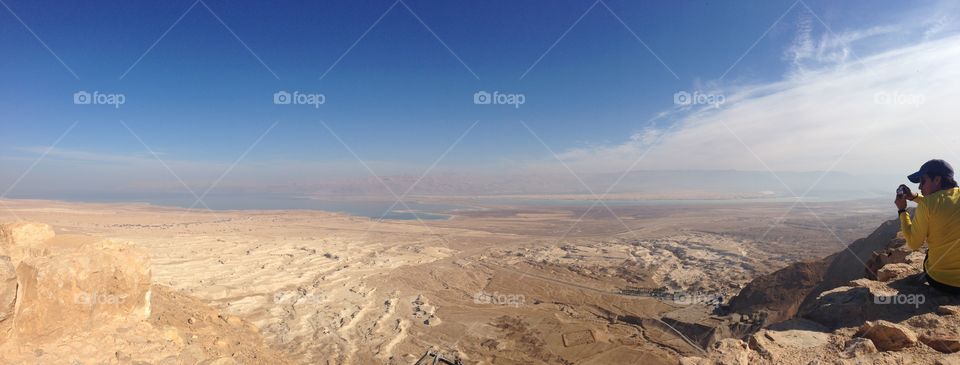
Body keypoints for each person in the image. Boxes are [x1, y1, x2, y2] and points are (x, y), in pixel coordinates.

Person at [896, 159, 960, 294]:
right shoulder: (938, 200)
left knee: (929, 253)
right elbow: (943, 204)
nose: (919, 187)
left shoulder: (927, 205)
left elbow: (914, 244)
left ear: (937, 180)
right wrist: (914, 197)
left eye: (923, 181)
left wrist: (902, 211)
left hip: (944, 282)